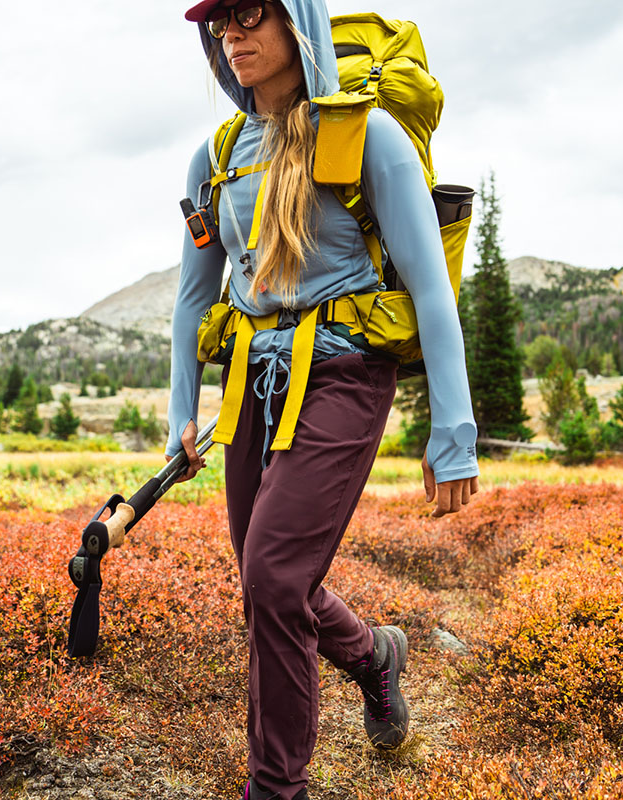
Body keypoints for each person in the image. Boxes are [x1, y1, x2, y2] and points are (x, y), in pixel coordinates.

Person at [166, 1, 480, 797]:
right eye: (218, 23)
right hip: (251, 383)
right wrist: (180, 411)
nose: (230, 34)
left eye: (247, 14)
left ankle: (276, 788)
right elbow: (192, 298)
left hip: (343, 376)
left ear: (295, 20)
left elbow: (433, 292)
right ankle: (375, 657)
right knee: (271, 579)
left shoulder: (368, 136)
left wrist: (455, 431)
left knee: (272, 578)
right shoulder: (217, 154)